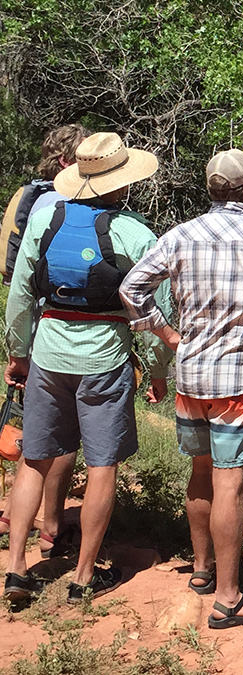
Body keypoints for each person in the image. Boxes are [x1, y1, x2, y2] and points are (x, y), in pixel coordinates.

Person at [120, 149, 243, 628]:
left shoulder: (180, 236)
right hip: (240, 377)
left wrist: (169, 334)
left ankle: (201, 570)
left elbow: (131, 289)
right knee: (230, 484)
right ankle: (229, 598)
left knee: (200, 471)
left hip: (191, 374)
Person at [3, 132, 171, 603]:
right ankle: (82, 577)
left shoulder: (44, 218)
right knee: (102, 464)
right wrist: (158, 369)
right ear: (123, 180)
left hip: (49, 351)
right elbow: (157, 307)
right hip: (106, 358)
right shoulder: (134, 233)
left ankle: (16, 569)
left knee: (34, 459)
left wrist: (18, 353)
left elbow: (20, 293)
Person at [0, 124, 90, 559]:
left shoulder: (29, 198)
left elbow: (15, 279)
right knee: (62, 435)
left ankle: (12, 516)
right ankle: (51, 525)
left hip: (31, 325)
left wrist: (15, 347)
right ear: (65, 162)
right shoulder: (66, 203)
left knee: (31, 429)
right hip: (59, 329)